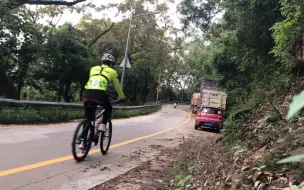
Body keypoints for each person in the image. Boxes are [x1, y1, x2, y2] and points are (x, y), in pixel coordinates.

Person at [82, 53, 125, 132]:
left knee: (88, 118)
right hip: (99, 93)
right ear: (111, 64)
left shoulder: (93, 68)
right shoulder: (112, 71)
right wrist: (122, 96)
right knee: (108, 108)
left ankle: (82, 140)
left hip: (87, 92)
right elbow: (117, 86)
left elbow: (93, 81)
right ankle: (102, 125)